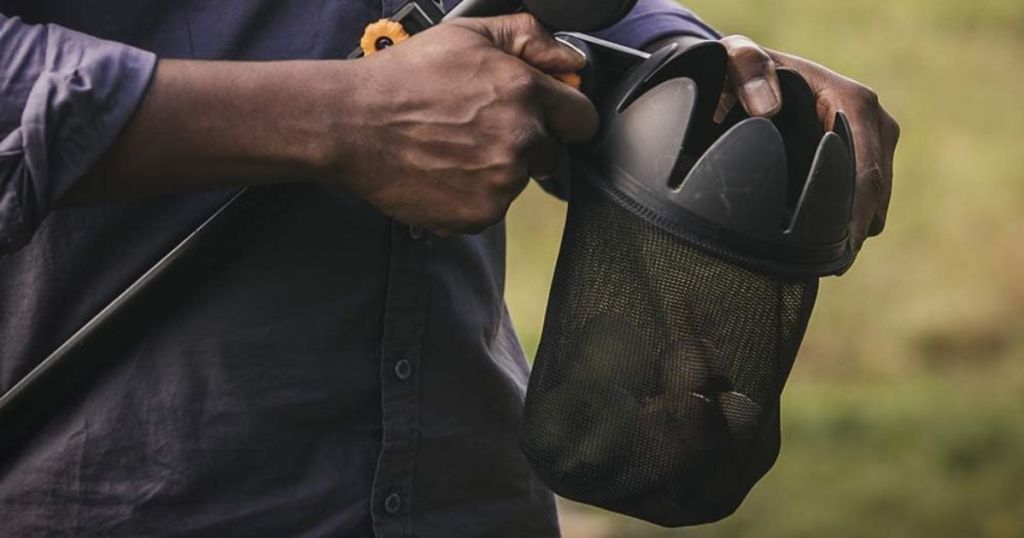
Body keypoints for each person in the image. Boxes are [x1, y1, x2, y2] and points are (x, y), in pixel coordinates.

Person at [0, 1, 899, 536]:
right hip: (127, 498)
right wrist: (340, 120)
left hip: (464, 500)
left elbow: (546, 15)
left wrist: (682, 62)